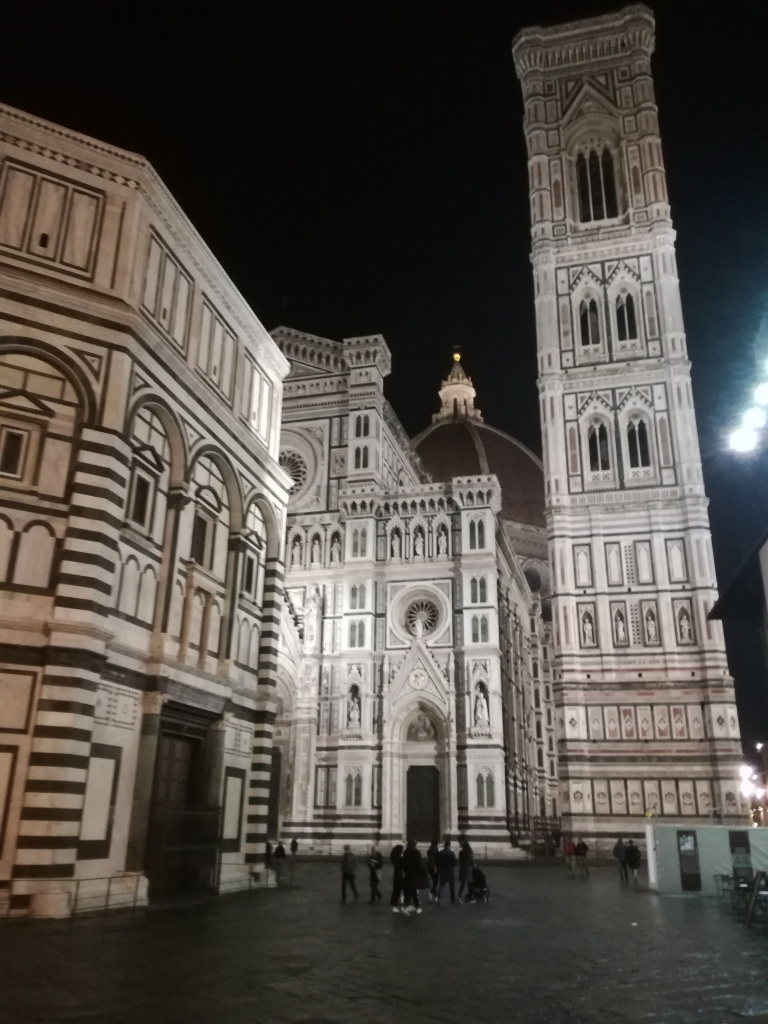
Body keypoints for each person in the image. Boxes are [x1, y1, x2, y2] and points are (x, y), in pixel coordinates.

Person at [400, 838, 425, 914]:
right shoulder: (417, 852)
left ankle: (408, 905)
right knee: (414, 890)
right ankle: (416, 906)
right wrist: (423, 872)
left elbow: (403, 864)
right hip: (415, 875)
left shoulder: (405, 852)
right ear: (415, 845)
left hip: (407, 874)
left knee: (409, 890)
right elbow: (420, 864)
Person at [436, 838, 457, 904]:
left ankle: (439, 898)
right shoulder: (451, 853)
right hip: (450, 870)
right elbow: (454, 862)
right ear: (449, 845)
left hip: (443, 870)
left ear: (444, 845)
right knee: (452, 886)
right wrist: (451, 867)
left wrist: (439, 868)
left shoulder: (440, 853)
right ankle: (453, 899)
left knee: (441, 885)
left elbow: (438, 861)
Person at [389, 843, 405, 912]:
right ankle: (394, 905)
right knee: (397, 891)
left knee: (397, 891)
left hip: (398, 876)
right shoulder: (399, 859)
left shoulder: (395, 859)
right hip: (400, 876)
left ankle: (395, 904)